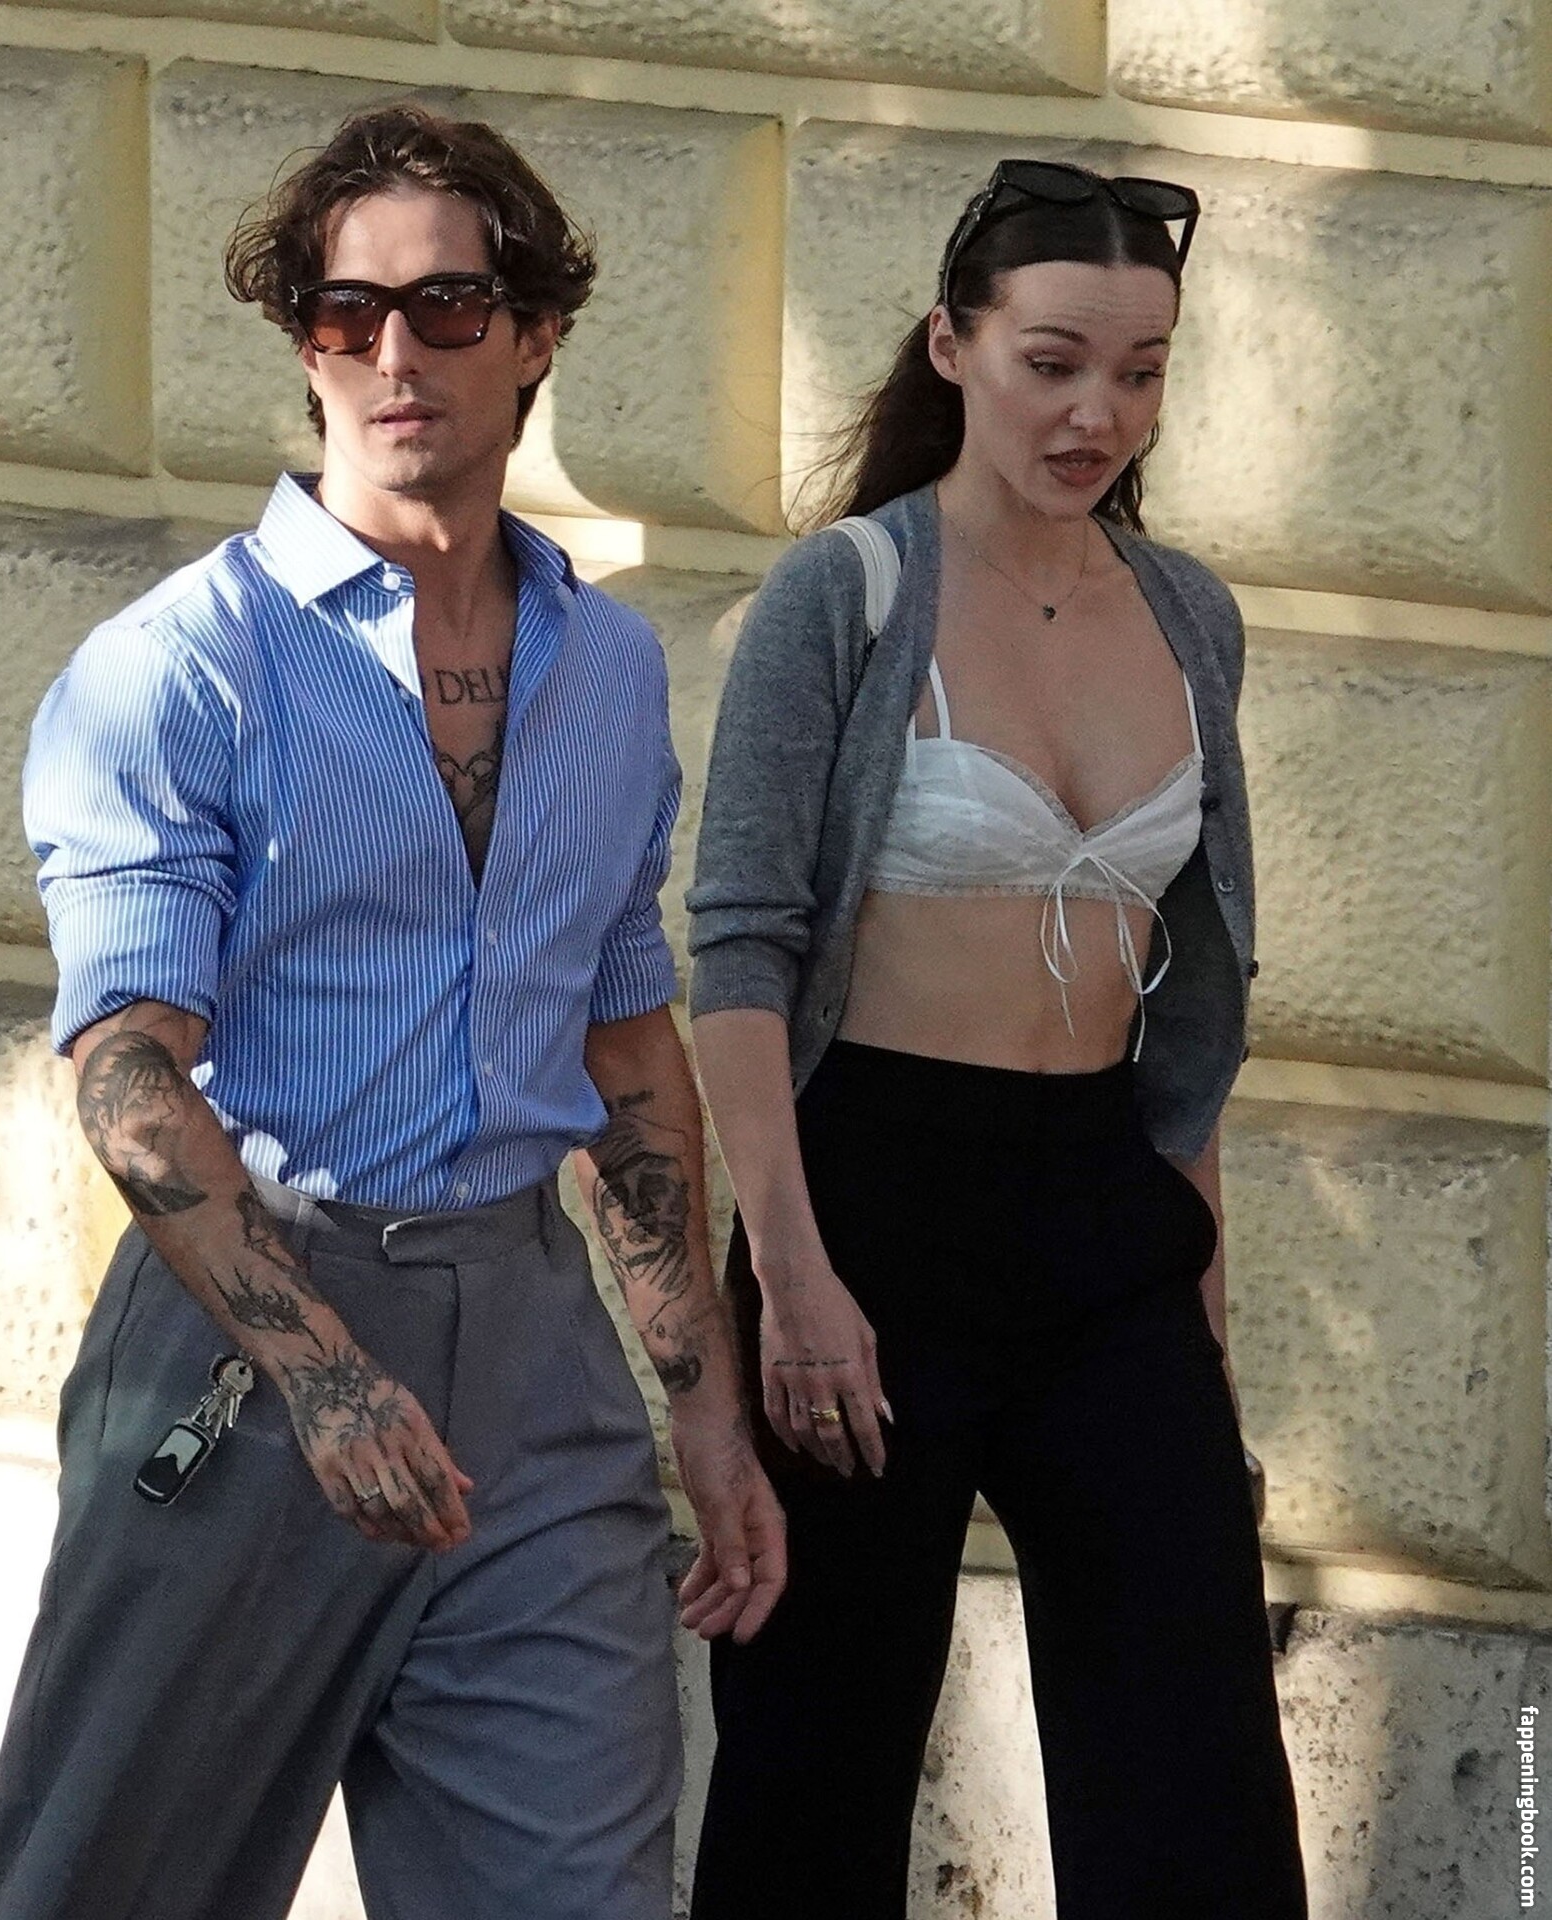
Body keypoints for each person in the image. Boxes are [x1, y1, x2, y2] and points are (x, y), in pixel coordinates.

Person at [0, 103, 784, 1920]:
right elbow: (126, 1074)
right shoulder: (177, 667)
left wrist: (704, 1414)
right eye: (345, 315)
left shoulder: (608, 667)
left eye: (446, 306)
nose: (394, 354)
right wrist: (323, 1374)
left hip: (538, 1365)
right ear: (305, 345)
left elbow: (627, 1058)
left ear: (537, 334)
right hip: (251, 1342)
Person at [682, 159, 1307, 1919]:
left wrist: (1200, 1286)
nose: (1096, 412)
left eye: (1139, 371)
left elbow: (1190, 981)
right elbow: (738, 949)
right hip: (867, 1213)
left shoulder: (1187, 613)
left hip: (1105, 1213)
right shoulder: (845, 594)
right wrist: (789, 1280)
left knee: (1191, 1771)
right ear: (950, 346)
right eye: (1052, 363)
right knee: (816, 1763)